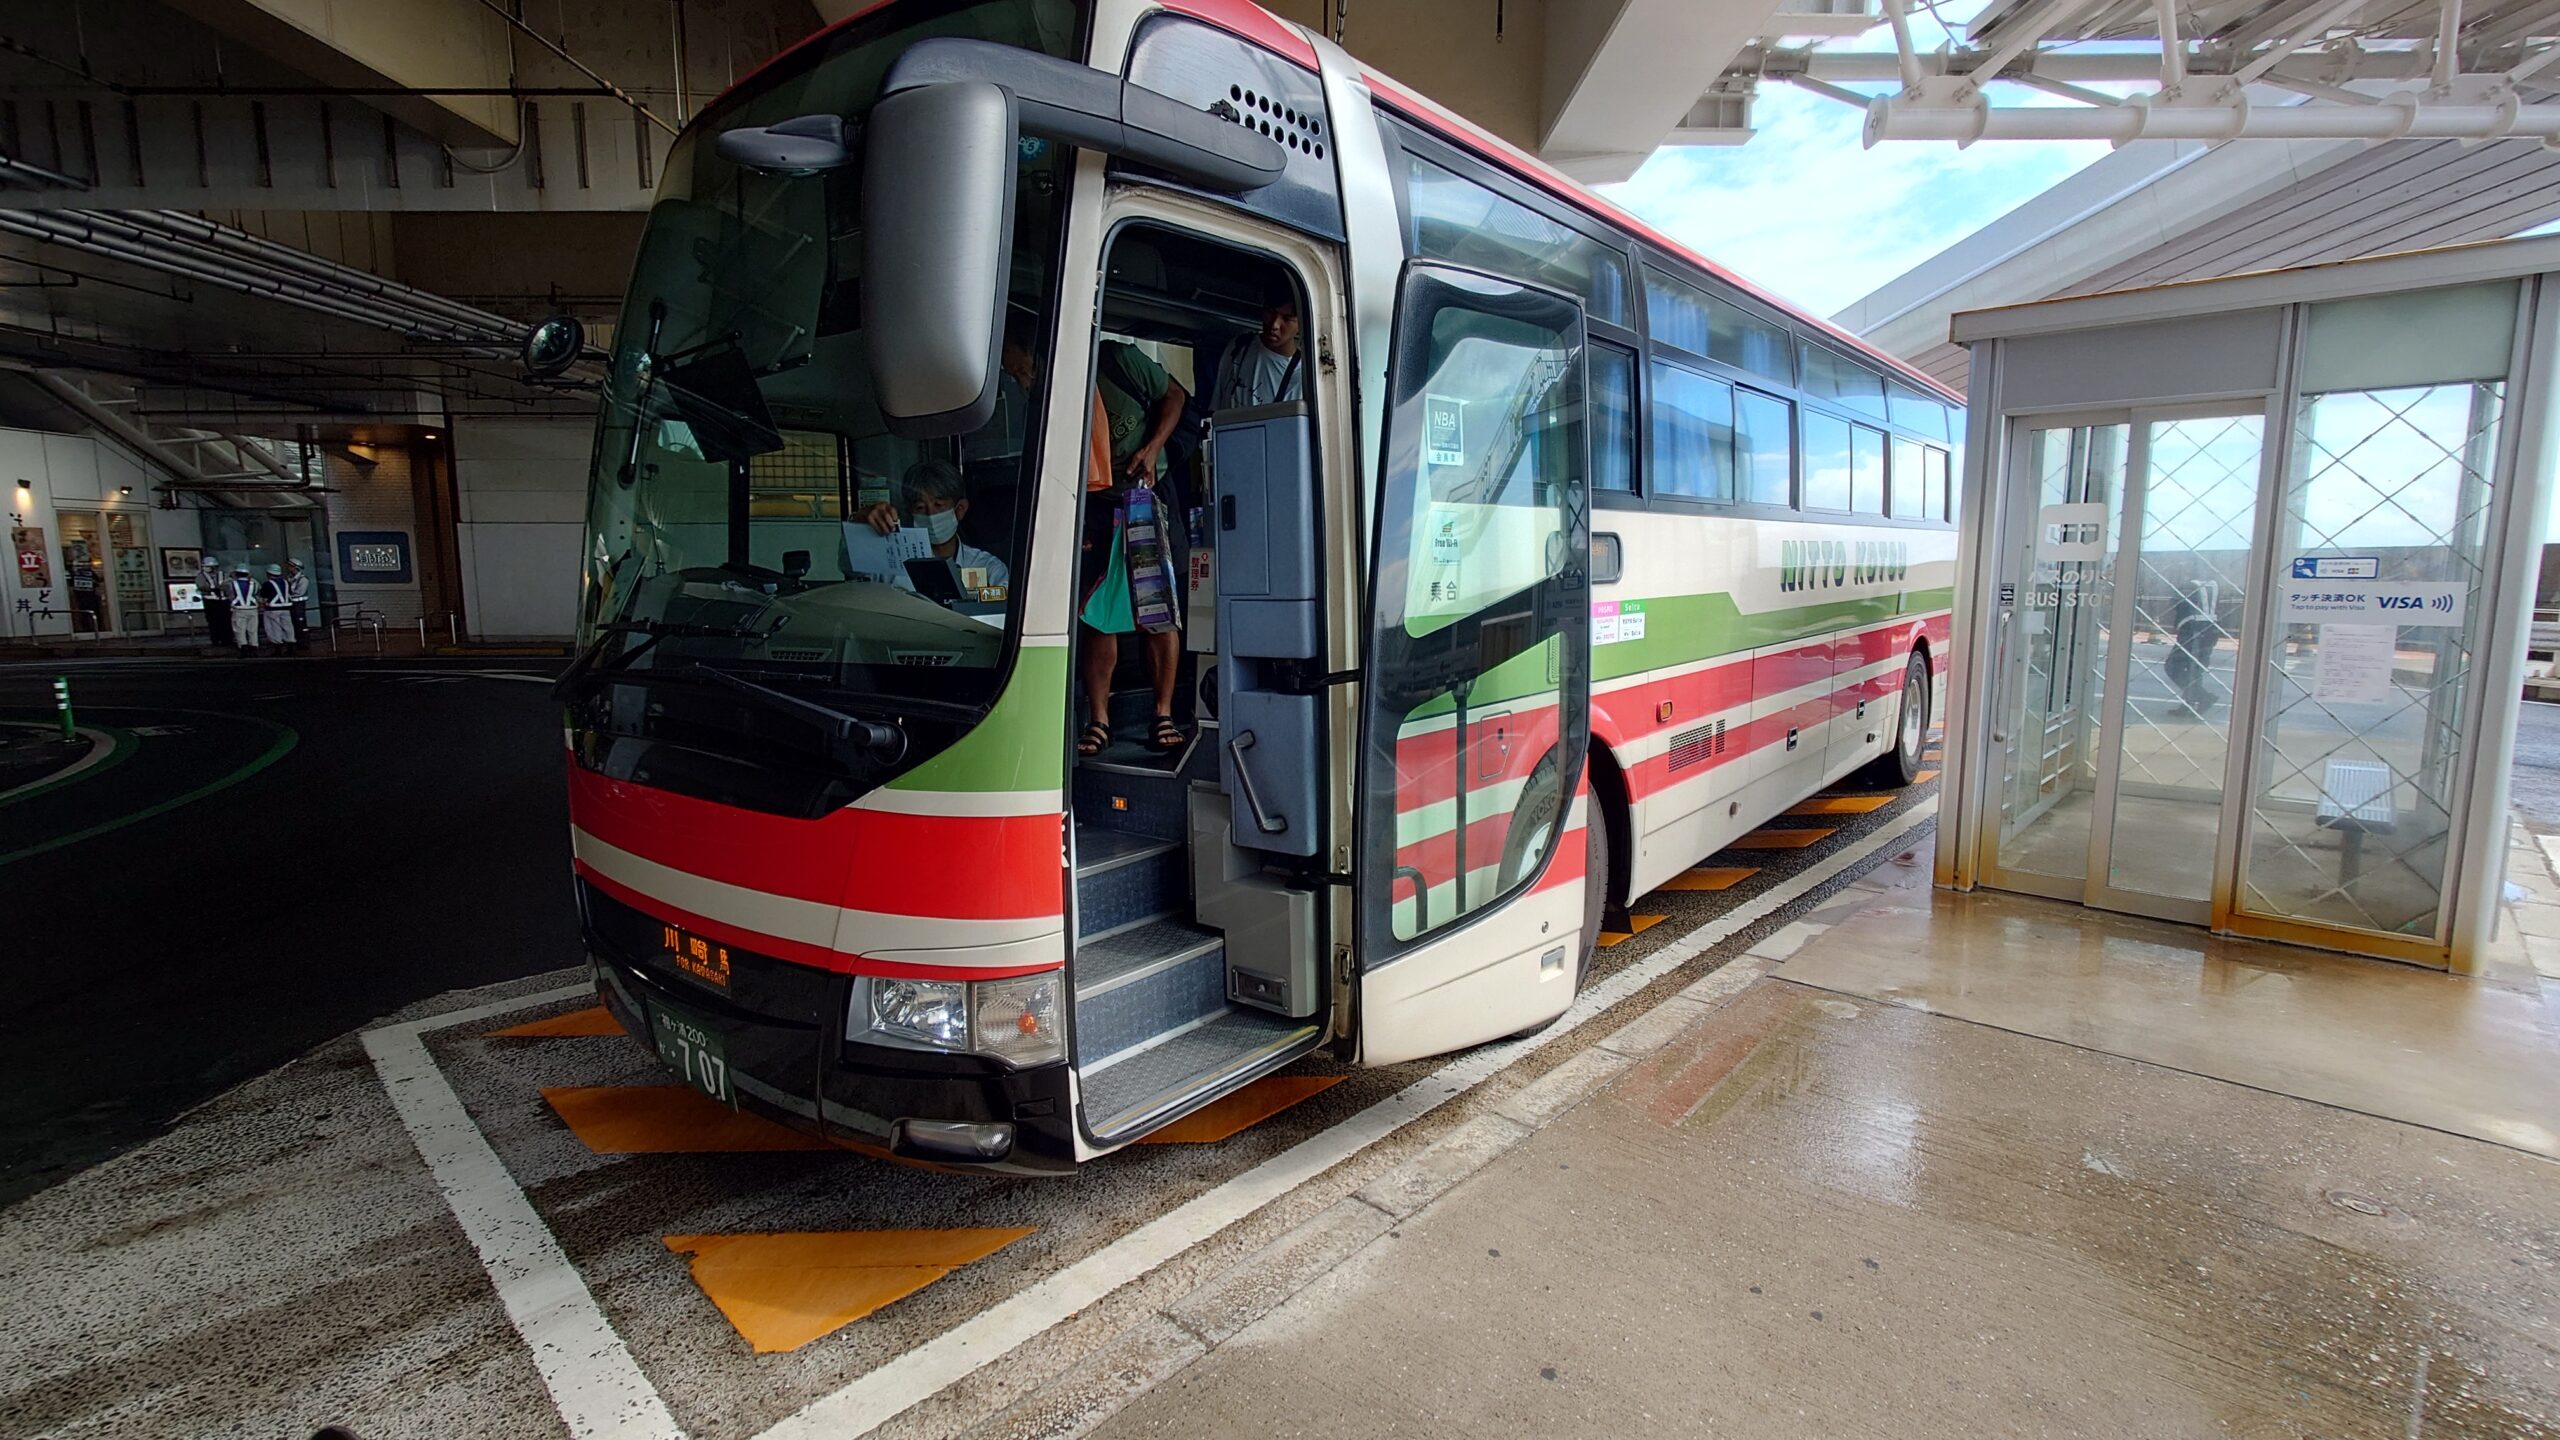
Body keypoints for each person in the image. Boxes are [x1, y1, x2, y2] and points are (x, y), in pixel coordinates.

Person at [1079, 336, 1190, 755]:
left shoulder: (1117, 360)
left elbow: (1175, 395)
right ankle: (1099, 720)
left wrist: (1152, 447)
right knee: (1097, 611)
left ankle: (1162, 713)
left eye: (1021, 368)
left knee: (1158, 610)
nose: (1022, 378)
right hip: (1095, 504)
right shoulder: (1049, 385)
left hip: (1145, 494)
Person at [857, 460, 1010, 596]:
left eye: (939, 505)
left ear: (960, 509)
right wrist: (859, 521)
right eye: (920, 507)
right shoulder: (890, 568)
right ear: (910, 512)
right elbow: (852, 569)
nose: (930, 514)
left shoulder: (988, 568)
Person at [1212, 290, 1304, 411]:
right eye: (1270, 312)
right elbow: (1216, 403)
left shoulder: (1301, 376)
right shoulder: (1239, 346)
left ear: (1301, 324)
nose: (1274, 325)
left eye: (1287, 319)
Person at [258, 564, 297, 653]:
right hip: (286, 608)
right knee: (288, 627)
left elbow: (263, 598)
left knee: (273, 628)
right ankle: (291, 646)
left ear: (268, 573)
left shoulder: (267, 584)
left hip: (272, 609)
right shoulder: (286, 583)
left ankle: (278, 648)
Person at [225, 564, 261, 657]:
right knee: (253, 630)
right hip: (252, 608)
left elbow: (225, 590)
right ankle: (254, 648)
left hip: (239, 609)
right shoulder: (254, 583)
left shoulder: (231, 584)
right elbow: (258, 591)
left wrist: (231, 577)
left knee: (239, 630)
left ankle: (243, 648)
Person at [196, 553, 230, 652]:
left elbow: (228, 585)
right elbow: (201, 586)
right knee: (213, 622)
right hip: (210, 601)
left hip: (223, 601)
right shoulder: (201, 576)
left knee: (225, 622)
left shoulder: (222, 574)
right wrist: (214, 588)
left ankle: (226, 639)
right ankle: (216, 639)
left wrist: (221, 588)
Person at [280, 557, 311, 653]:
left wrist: (288, 595)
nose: (289, 568)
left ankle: (303, 643)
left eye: (290, 566)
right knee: (293, 624)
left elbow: (300, 592)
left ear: (296, 567)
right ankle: (296, 642)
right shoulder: (289, 578)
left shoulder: (303, 579)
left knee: (300, 624)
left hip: (299, 605)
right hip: (291, 604)